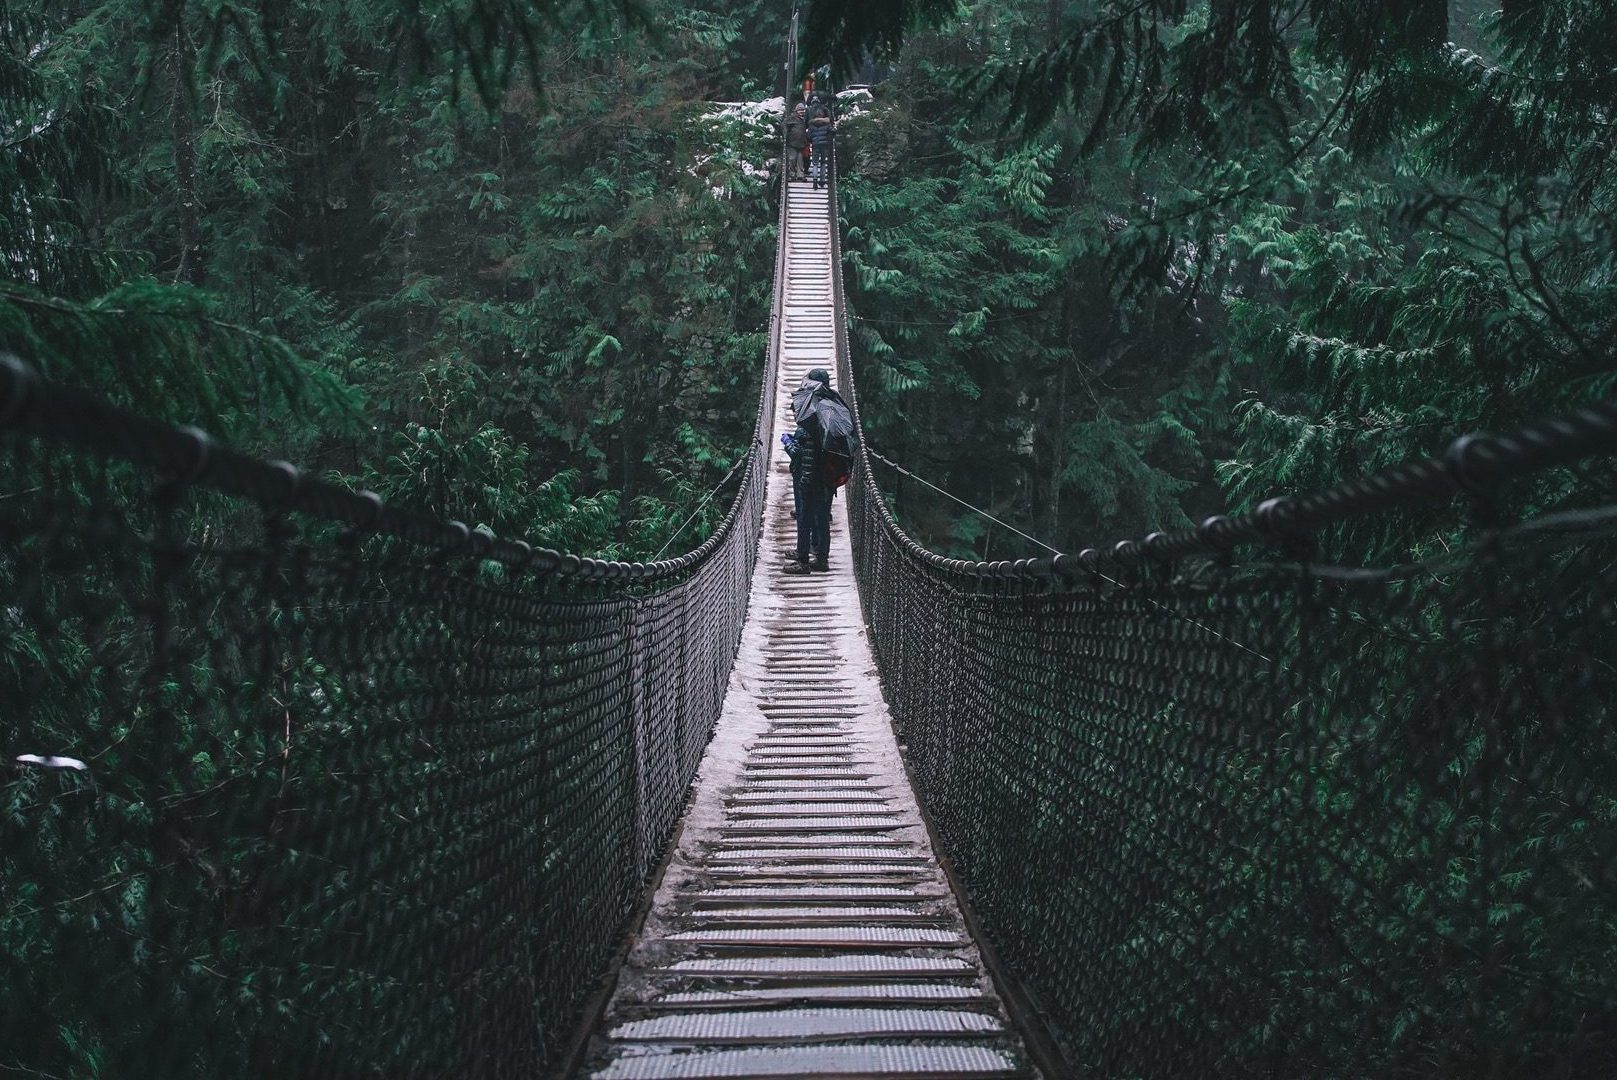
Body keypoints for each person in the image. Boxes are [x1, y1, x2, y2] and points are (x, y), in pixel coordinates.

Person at [781, 368, 845, 573]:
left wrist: (788, 443)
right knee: (822, 517)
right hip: (828, 478)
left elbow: (803, 455)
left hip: (810, 478)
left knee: (805, 519)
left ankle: (803, 561)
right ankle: (821, 559)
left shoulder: (811, 417)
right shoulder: (831, 410)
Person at [806, 101, 833, 189]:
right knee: (823, 162)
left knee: (815, 163)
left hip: (815, 145)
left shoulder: (811, 125)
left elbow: (809, 136)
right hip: (825, 145)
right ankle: (822, 180)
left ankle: (814, 180)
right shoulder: (827, 124)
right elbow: (831, 133)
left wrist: (812, 140)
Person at [785, 102, 808, 181]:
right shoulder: (792, 118)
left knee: (800, 160)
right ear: (796, 111)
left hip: (801, 143)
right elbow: (784, 125)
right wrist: (786, 134)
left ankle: (800, 175)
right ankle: (792, 175)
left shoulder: (804, 119)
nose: (802, 111)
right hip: (792, 143)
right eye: (800, 110)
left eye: (803, 110)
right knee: (792, 159)